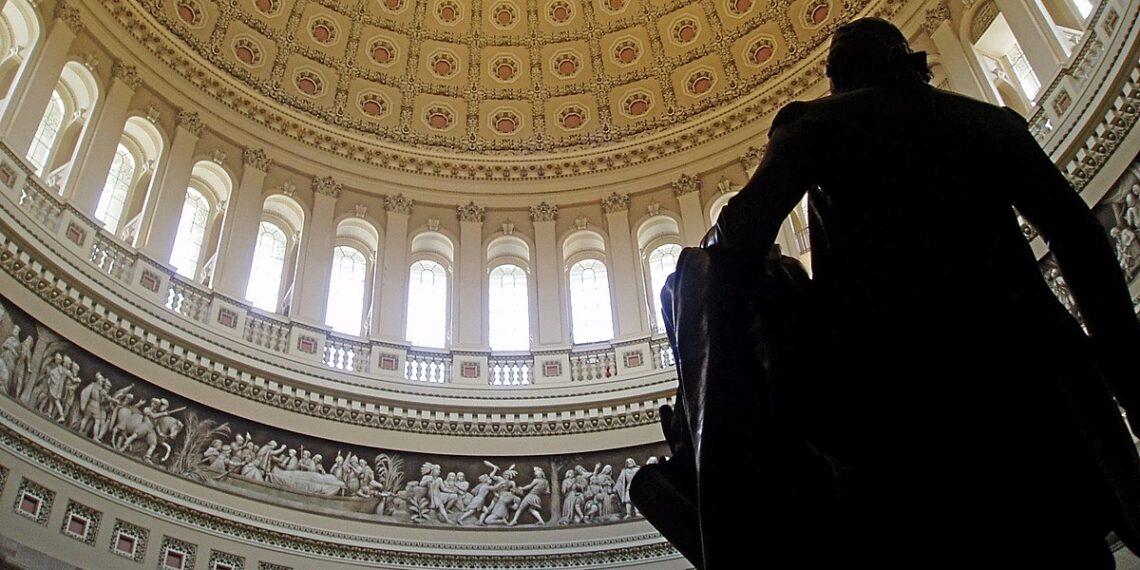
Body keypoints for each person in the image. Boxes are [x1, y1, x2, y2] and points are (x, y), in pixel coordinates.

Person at [696, 17, 1140, 569]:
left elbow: (738, 241)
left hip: (894, 390)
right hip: (1026, 383)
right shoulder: (989, 123)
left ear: (838, 77)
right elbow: (1081, 239)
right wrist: (1126, 373)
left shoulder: (814, 127)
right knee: (1066, 545)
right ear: (909, 61)